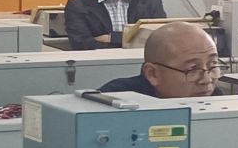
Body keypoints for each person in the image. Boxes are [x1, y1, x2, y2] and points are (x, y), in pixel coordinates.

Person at [95, 22, 223, 98]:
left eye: (213, 65)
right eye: (192, 69)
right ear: (153, 74)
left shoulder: (213, 97)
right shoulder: (115, 98)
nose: (207, 80)